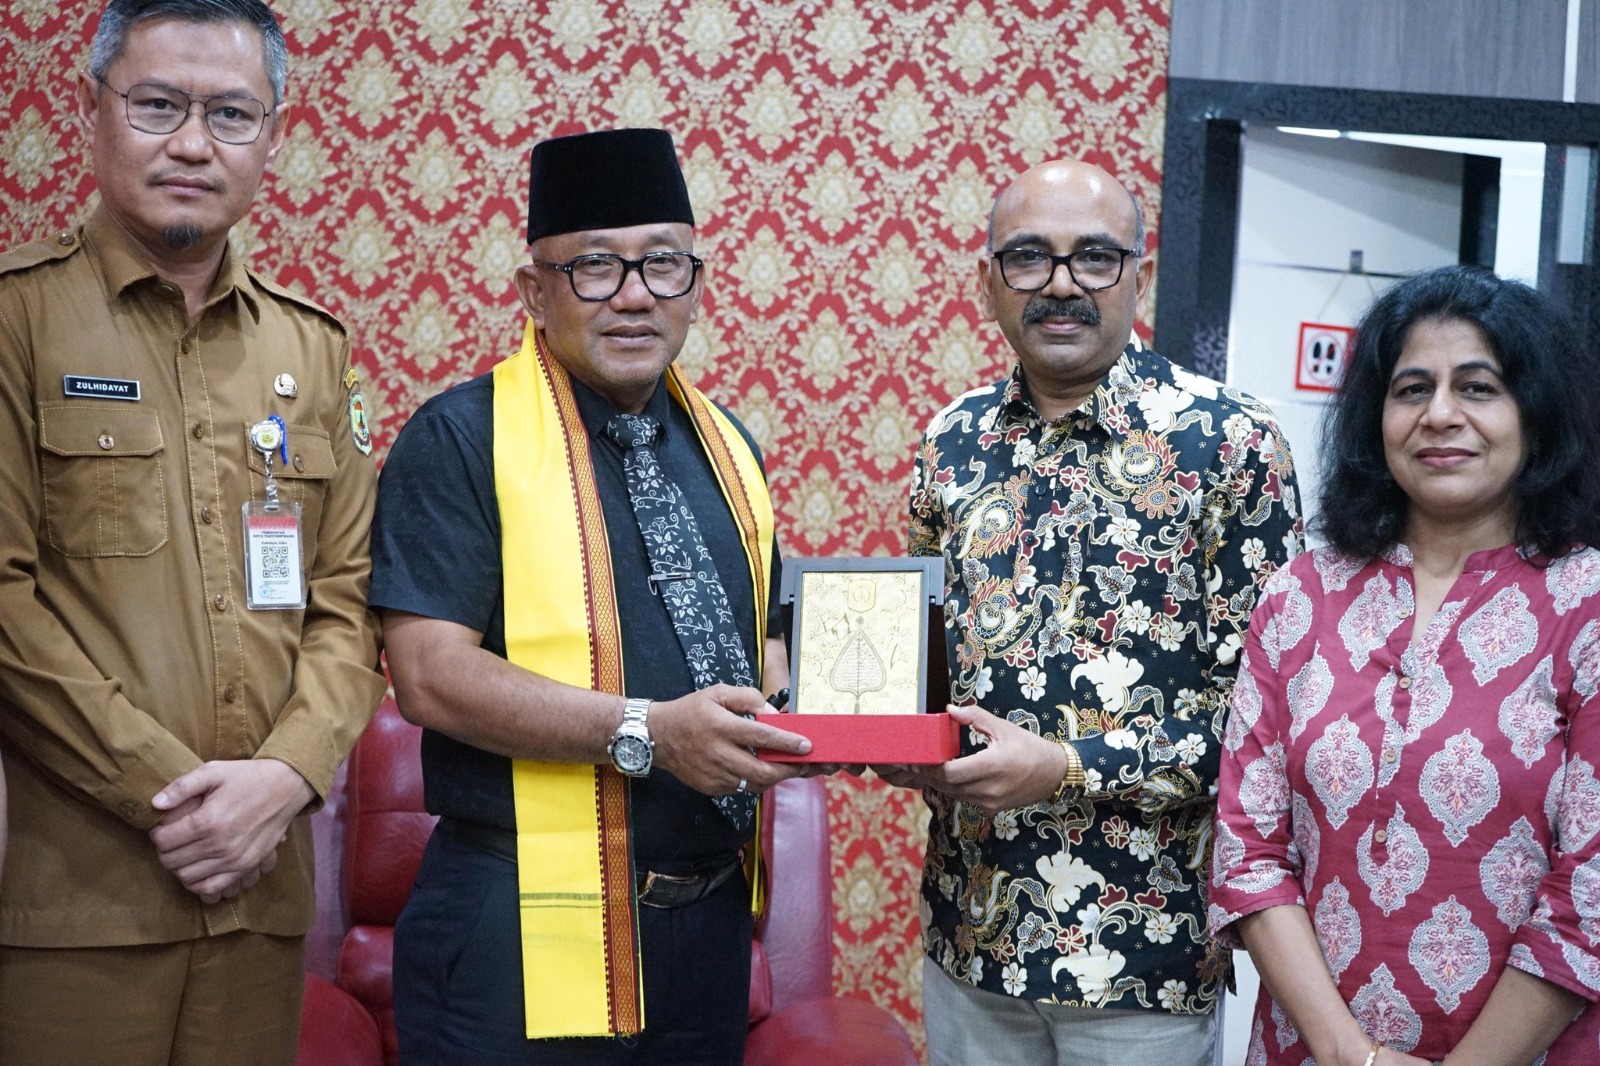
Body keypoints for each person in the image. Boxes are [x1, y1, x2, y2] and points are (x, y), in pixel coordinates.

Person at [370, 127, 815, 1065]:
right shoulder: (461, 439)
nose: (635, 295)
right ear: (535, 292)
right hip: (516, 925)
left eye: (663, 264)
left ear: (696, 284)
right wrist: (649, 732)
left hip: (704, 932)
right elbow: (429, 676)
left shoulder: (728, 449)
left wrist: (814, 717)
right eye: (597, 268)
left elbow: (763, 643)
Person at [0, 1, 386, 1063]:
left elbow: (347, 602)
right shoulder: (19, 318)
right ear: (94, 109)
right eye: (159, 105)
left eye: (229, 114)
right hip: (74, 905)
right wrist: (170, 795)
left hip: (259, 895)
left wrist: (285, 777)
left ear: (271, 135)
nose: (191, 143)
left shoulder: (312, 350)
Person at [878, 159, 1303, 1065]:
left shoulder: (1231, 442)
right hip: (971, 934)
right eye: (1029, 256)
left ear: (1138, 278)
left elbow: (1268, 730)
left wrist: (1065, 767)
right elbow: (923, 666)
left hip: (1143, 956)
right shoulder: (951, 443)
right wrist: (891, 734)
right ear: (988, 280)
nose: (1062, 283)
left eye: (1095, 258)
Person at [1210, 265, 1600, 1065]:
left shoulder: (1586, 606)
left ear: (1537, 412)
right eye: (1412, 389)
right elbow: (1249, 852)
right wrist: (1352, 1056)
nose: (1440, 414)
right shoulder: (1300, 597)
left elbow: (1590, 893)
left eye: (1479, 388)